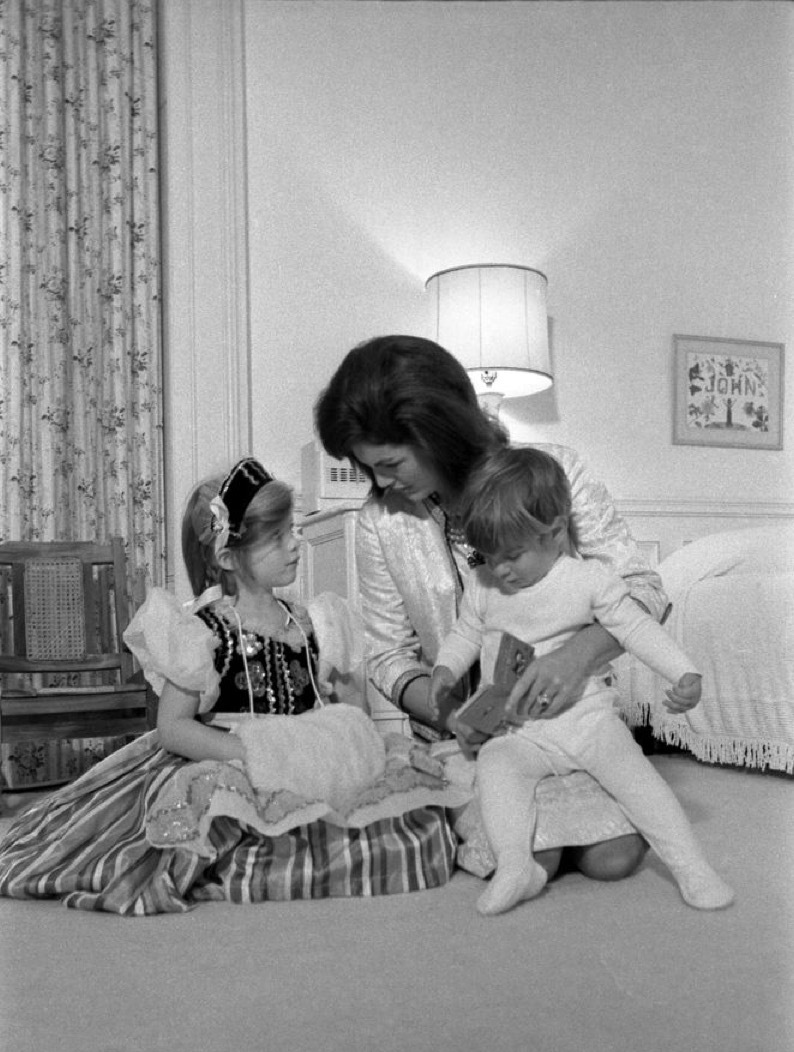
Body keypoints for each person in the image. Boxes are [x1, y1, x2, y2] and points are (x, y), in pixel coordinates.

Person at [0, 458, 458, 915]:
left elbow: (345, 701)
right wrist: (245, 754)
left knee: (405, 812)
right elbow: (173, 728)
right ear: (227, 557)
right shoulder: (205, 631)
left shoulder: (315, 620)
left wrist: (347, 744)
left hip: (307, 759)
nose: (295, 545)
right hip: (234, 753)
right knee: (208, 805)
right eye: (277, 538)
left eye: (292, 531)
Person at [314, 334, 671, 884]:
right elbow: (388, 656)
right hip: (467, 739)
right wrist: (449, 713)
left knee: (615, 859)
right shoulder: (381, 520)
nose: (382, 483)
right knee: (533, 857)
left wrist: (576, 656)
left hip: (570, 721)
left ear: (438, 433)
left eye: (389, 463)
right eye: (370, 470)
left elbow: (644, 587)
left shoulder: (552, 472)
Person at [428, 446, 734, 915]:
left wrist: (682, 671)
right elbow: (466, 632)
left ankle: (692, 866)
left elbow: (634, 627)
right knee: (496, 770)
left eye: (512, 555)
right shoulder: (486, 584)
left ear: (553, 532)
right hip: (519, 729)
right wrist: (446, 669)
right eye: (489, 556)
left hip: (586, 719)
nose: (501, 569)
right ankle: (516, 866)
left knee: (639, 781)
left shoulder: (588, 579)